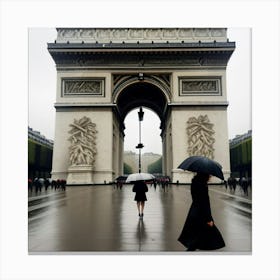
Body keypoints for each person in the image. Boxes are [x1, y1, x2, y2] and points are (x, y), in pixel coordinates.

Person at [178, 172, 225, 251]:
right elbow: (205, 203)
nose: (210, 176)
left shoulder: (194, 183)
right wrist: (209, 218)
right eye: (209, 175)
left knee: (197, 235)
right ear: (204, 175)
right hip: (201, 214)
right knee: (211, 236)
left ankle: (192, 249)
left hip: (194, 211)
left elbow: (196, 199)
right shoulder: (202, 185)